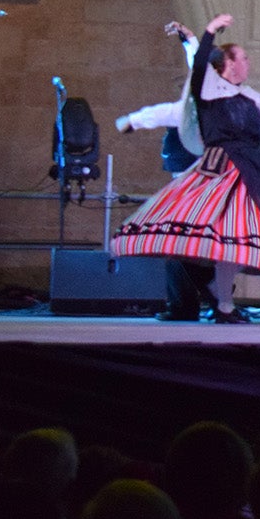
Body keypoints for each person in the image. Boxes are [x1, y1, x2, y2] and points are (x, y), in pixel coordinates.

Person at [112, 14, 260, 321]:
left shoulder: (250, 96)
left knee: (235, 239)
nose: (248, 63)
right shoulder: (209, 90)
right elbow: (197, 66)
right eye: (243, 58)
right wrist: (206, 32)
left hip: (250, 172)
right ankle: (213, 300)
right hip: (219, 170)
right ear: (229, 63)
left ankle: (222, 302)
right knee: (208, 238)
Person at [113, 20, 216, 321]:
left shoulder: (208, 106)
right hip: (191, 185)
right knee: (187, 247)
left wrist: (132, 120)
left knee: (188, 247)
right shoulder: (194, 106)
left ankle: (198, 301)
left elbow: (168, 107)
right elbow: (163, 111)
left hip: (203, 187)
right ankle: (200, 300)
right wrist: (190, 40)